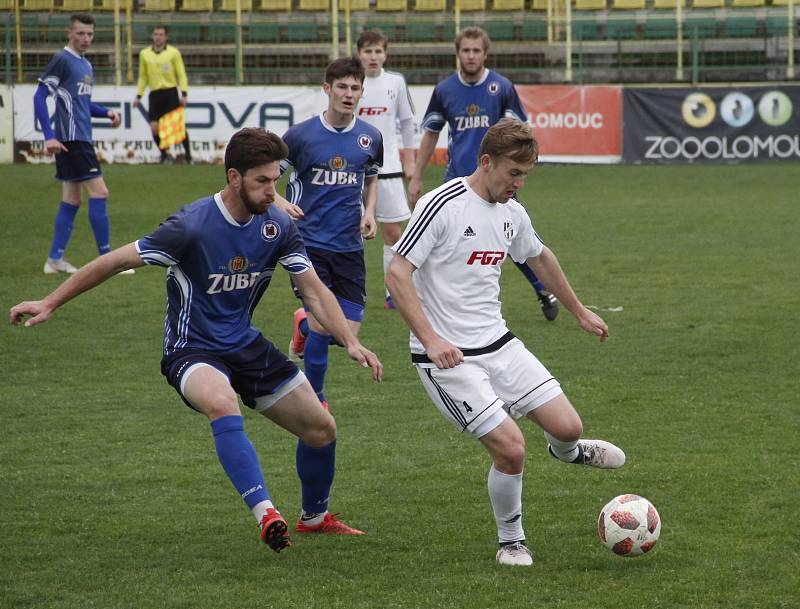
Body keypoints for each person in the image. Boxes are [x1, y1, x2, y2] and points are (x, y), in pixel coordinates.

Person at [10, 128, 382, 552]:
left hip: (245, 345)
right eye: (262, 182)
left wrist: (349, 342)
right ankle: (266, 513)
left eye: (275, 181)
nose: (271, 191)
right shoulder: (190, 226)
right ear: (233, 177)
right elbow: (114, 262)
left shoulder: (277, 226)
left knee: (321, 429)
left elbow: (313, 289)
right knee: (221, 401)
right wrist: (51, 302)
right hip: (192, 350)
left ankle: (314, 518)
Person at [386, 118, 625, 567]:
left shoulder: (512, 212)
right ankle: (511, 541)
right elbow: (397, 273)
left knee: (568, 427)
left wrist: (579, 310)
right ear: (486, 162)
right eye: (513, 173)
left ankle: (569, 452)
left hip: (498, 343)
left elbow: (539, 256)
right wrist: (432, 339)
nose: (518, 184)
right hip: (447, 358)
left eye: (525, 175)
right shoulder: (443, 205)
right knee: (512, 448)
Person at [408, 26, 558, 322]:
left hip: (497, 182)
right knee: (447, 244)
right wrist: (416, 175)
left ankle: (542, 289)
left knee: (510, 237)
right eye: (466, 50)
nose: (471, 55)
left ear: (485, 53)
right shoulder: (444, 90)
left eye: (477, 50)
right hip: (456, 182)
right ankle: (439, 301)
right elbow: (430, 135)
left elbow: (522, 132)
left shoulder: (501, 87)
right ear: (458, 54)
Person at [278, 57, 383, 413]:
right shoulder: (299, 136)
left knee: (348, 328)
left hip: (349, 245)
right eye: (342, 87)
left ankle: (302, 325)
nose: (348, 94)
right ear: (327, 89)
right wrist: (279, 202)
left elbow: (371, 176)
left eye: (355, 88)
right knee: (327, 325)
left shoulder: (371, 137)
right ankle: (317, 398)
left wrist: (369, 212)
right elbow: (265, 175)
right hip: (306, 243)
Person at [33, 13, 131, 276]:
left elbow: (83, 104)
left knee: (72, 199)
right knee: (100, 193)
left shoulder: (86, 65)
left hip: (80, 138)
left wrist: (106, 112)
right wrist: (48, 136)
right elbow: (40, 97)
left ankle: (54, 259)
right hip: (72, 139)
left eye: (89, 34)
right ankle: (108, 260)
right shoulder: (62, 60)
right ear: (69, 32)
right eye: (80, 33)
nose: (86, 38)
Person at [355, 29, 416, 310]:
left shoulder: (396, 82)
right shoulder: (351, 83)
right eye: (368, 51)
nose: (373, 56)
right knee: (348, 232)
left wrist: (410, 160)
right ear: (359, 54)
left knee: (393, 232)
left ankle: (394, 292)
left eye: (378, 51)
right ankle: (350, 291)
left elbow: (407, 122)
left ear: (385, 54)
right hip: (353, 171)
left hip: (388, 168)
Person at [133, 24, 192, 164]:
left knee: (177, 128)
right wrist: (138, 96)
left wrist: (184, 93)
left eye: (161, 34)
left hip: (170, 92)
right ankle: (164, 155)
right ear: (152, 36)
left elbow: (181, 74)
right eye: (156, 34)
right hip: (154, 94)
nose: (158, 37)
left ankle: (189, 156)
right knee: (154, 128)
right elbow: (143, 77)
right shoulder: (145, 54)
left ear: (166, 37)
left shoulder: (173, 53)